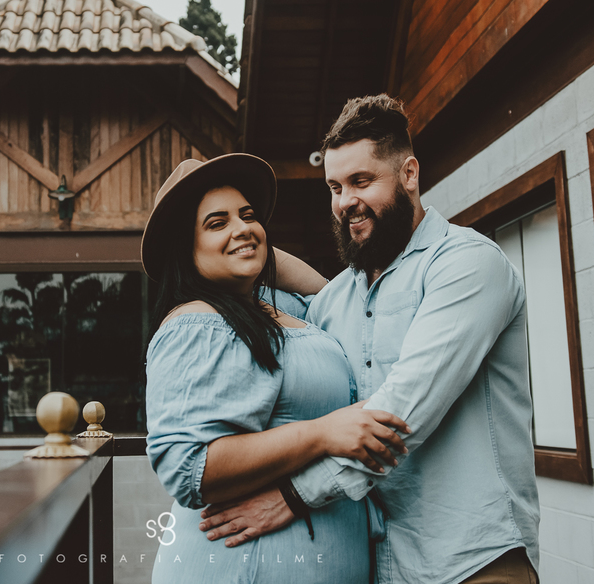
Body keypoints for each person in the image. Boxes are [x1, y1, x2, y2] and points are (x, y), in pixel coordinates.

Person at [198, 95, 540, 584]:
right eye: (334, 187)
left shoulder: (466, 264)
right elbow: (276, 320)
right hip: (381, 563)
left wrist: (292, 496)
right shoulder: (337, 299)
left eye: (361, 181)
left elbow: (400, 415)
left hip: (473, 561)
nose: (344, 203)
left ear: (409, 174)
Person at [143, 154, 409, 584]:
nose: (242, 227)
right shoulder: (200, 322)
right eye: (216, 223)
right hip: (242, 566)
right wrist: (323, 433)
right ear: (185, 249)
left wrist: (243, 241)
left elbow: (336, 300)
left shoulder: (275, 310)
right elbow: (189, 466)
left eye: (248, 215)